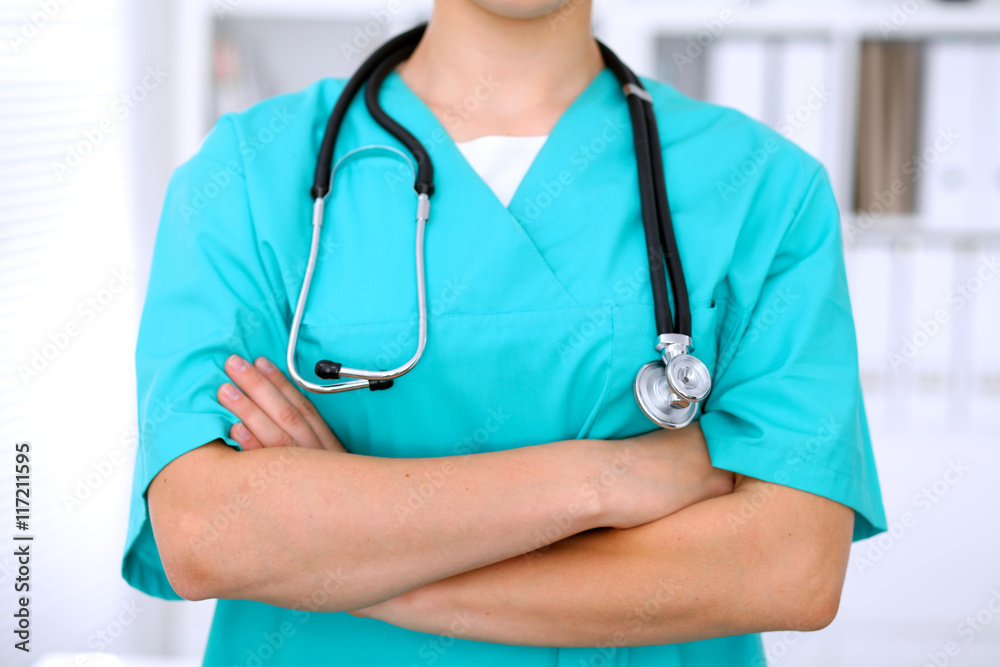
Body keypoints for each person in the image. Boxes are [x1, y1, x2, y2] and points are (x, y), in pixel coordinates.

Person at [123, 1, 887, 664]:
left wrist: (344, 560)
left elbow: (787, 565)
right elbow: (203, 529)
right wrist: (607, 480)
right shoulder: (247, 175)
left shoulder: (763, 187)